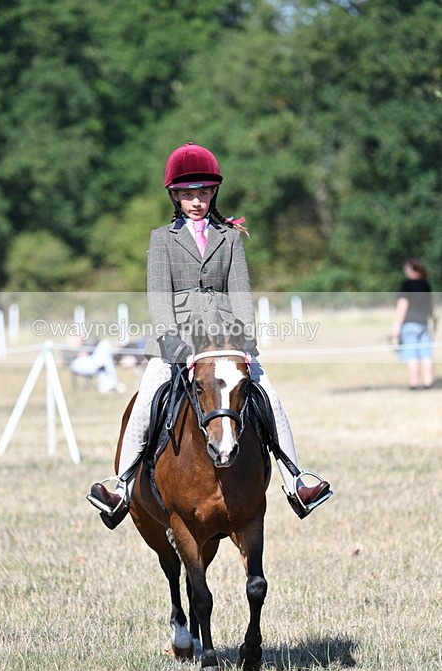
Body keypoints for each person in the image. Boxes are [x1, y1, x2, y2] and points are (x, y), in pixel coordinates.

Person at [87, 142, 333, 526]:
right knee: (147, 399)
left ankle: (296, 481)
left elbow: (240, 292)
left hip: (226, 338)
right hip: (176, 341)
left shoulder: (229, 237)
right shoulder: (162, 239)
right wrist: (171, 341)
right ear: (175, 196)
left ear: (212, 192)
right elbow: (158, 294)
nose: (196, 201)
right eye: (188, 195)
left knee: (270, 396)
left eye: (203, 193)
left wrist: (246, 342)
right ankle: (120, 486)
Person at [391, 258, 434, 390]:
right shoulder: (425, 285)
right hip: (424, 324)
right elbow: (430, 306)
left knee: (412, 355)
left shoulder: (407, 285)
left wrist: (396, 325)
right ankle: (428, 383)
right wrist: (434, 320)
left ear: (410, 270)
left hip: (409, 324)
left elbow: (403, 306)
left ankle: (413, 384)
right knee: (426, 355)